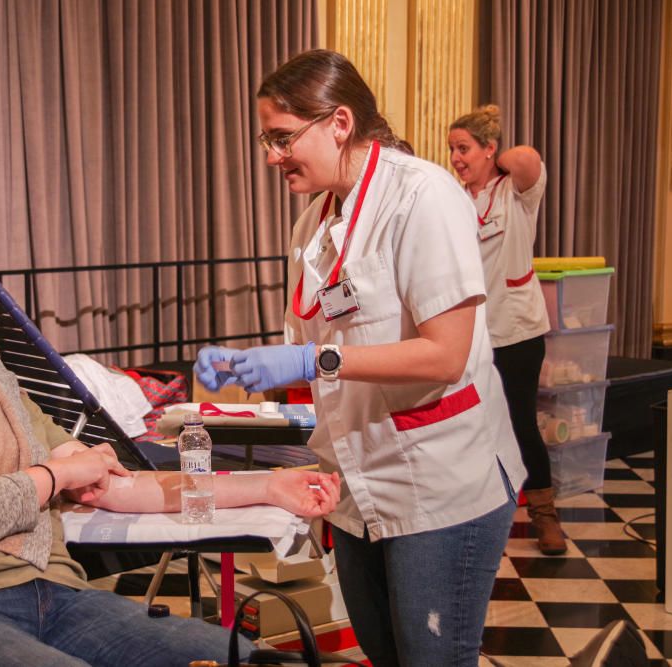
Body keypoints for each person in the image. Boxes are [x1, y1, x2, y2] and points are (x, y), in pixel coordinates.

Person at [0, 219, 340, 667]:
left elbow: (120, 487)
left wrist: (270, 486)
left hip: (56, 593)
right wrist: (54, 477)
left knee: (240, 658)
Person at [195, 50, 525, 666]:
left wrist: (310, 363)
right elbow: (317, 339)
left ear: (339, 122)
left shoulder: (422, 197)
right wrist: (248, 366)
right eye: (266, 138)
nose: (271, 155)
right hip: (357, 485)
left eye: (282, 137)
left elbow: (445, 355)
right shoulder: (311, 224)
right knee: (384, 653)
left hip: (440, 479)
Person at [448, 105, 564, 555]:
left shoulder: (515, 191)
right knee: (472, 427)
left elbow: (527, 157)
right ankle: (481, 517)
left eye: (465, 148)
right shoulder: (456, 200)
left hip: (517, 329)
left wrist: (495, 154)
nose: (457, 158)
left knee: (519, 422)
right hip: (472, 334)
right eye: (452, 150)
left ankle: (544, 515)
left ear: (489, 150)